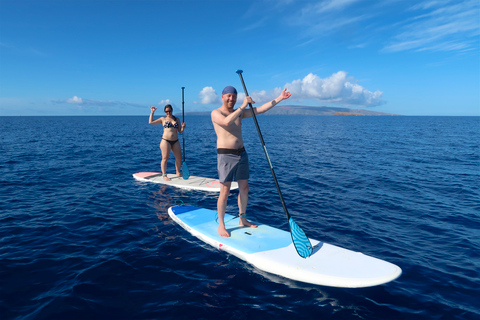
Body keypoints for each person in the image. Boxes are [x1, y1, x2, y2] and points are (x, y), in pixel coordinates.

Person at [211, 85, 292, 237]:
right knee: (225, 191)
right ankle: (221, 225)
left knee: (245, 188)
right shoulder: (216, 113)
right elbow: (227, 122)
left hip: (242, 154)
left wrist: (280, 98)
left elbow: (260, 109)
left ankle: (242, 219)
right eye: (228, 96)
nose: (231, 98)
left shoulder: (239, 113)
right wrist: (242, 106)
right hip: (225, 155)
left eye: (233, 96)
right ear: (222, 97)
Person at [149, 104, 186, 181]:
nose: (168, 113)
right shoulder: (163, 119)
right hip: (166, 141)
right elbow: (151, 122)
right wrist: (152, 112)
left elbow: (180, 131)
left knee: (179, 158)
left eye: (169, 111)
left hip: (175, 141)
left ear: (172, 110)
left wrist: (183, 127)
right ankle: (164, 175)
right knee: (165, 158)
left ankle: (178, 172)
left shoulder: (177, 119)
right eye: (166, 111)